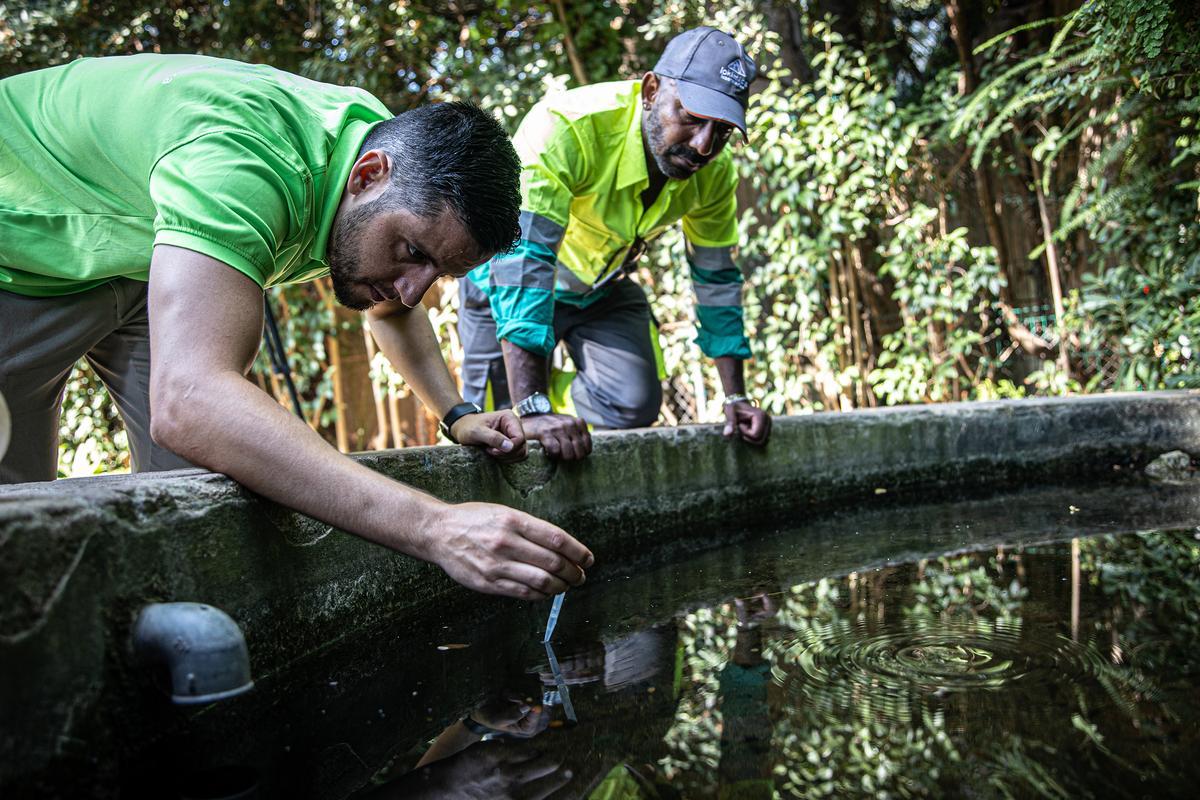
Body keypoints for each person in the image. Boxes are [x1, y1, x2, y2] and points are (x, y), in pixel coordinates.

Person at [0, 54, 592, 599]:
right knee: (18, 524)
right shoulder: (246, 161)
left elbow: (392, 310)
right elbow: (190, 399)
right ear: (367, 175)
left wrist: (457, 415)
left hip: (134, 247)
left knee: (205, 495)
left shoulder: (384, 167)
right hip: (18, 248)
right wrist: (436, 527)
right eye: (412, 251)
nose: (414, 290)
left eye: (439, 273)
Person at [458, 26, 773, 461]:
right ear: (651, 90)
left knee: (634, 403)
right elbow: (524, 261)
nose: (703, 146)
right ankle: (534, 395)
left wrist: (734, 397)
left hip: (598, 286)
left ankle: (556, 397)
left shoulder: (713, 175)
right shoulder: (567, 127)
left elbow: (716, 279)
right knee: (496, 429)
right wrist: (530, 408)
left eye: (721, 131)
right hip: (506, 283)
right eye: (691, 117)